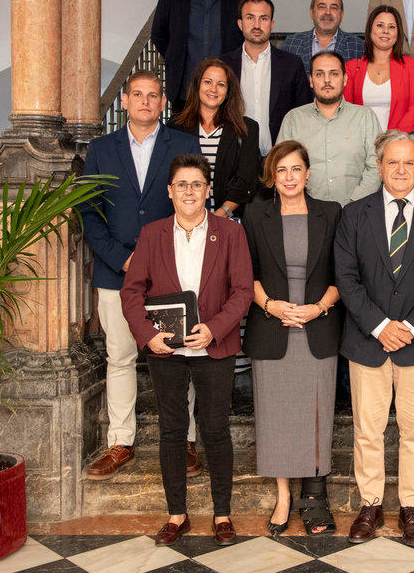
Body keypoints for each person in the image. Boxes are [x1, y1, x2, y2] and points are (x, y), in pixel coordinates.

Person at [120, 154, 254, 547]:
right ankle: (177, 514)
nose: (190, 191)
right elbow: (132, 292)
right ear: (169, 191)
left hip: (216, 348)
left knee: (215, 431)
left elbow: (243, 291)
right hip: (167, 351)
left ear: (208, 190)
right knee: (172, 431)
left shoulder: (230, 233)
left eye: (197, 184)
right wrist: (148, 336)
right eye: (182, 184)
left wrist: (214, 329)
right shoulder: (152, 233)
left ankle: (222, 514)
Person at [334, 130, 414, 547]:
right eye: (393, 162)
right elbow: (346, 279)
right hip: (367, 341)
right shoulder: (355, 215)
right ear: (380, 166)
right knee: (367, 430)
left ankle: (409, 506)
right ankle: (370, 505)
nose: (401, 170)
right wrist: (380, 326)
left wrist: (408, 327)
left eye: (409, 163)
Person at [81, 71, 202, 481]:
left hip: (170, 269)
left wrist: (158, 257)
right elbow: (89, 212)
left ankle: (184, 439)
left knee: (179, 355)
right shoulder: (100, 149)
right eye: (138, 95)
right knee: (120, 355)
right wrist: (122, 258)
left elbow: (191, 201)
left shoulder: (183, 144)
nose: (146, 101)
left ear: (163, 102)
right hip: (116, 272)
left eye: (153, 95)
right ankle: (121, 441)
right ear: (126, 102)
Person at [242, 141, 343, 537]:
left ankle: (314, 500)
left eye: (295, 169)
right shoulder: (255, 214)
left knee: (317, 416)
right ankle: (284, 497)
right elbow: (244, 272)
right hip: (273, 328)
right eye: (280, 170)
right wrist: (271, 305)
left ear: (307, 173)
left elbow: (342, 275)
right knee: (275, 416)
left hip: (317, 327)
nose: (288, 177)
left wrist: (318, 308)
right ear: (272, 175)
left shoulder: (330, 213)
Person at [151, 0, 247, 109]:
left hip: (226, 92)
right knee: (182, 136)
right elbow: (159, 34)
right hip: (184, 91)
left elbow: (245, 36)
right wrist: (176, 57)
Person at [278, 51, 382, 205]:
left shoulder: (365, 117)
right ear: (311, 81)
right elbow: (281, 167)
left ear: (345, 79)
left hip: (357, 211)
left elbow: (377, 165)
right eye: (319, 74)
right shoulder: (293, 119)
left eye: (334, 74)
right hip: (307, 212)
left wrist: (354, 203)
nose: (327, 80)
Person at [220, 0, 312, 155]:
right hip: (236, 156)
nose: (257, 25)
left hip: (280, 157)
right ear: (240, 24)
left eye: (263, 18)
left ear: (272, 24)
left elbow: (304, 112)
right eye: (250, 18)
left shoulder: (292, 64)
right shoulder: (224, 65)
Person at [169, 58, 259, 220]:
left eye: (221, 84)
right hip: (183, 220)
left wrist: (220, 215)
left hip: (227, 220)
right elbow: (171, 177)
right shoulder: (175, 127)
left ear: (228, 92)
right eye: (208, 82)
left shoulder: (247, 129)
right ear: (197, 86)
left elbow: (246, 181)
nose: (213, 89)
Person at [343, 5, 414, 132]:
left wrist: (393, 139)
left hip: (397, 143)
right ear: (370, 29)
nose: (385, 31)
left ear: (398, 32)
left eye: (391, 26)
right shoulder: (352, 68)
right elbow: (346, 111)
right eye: (380, 25)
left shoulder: (409, 65)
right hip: (360, 142)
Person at [283, 0, 365, 74]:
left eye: (334, 8)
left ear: (341, 15)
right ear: (312, 12)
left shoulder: (357, 46)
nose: (328, 12)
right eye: (322, 7)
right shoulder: (292, 43)